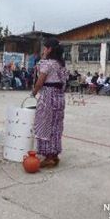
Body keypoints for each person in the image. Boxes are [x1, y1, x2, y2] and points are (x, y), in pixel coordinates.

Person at [32, 37, 67, 168]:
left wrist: (34, 93)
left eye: (45, 48)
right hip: (59, 98)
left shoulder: (47, 64)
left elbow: (40, 81)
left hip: (48, 96)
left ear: (50, 49)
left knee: (45, 125)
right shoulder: (61, 64)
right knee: (56, 126)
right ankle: (55, 155)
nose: (43, 50)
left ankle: (49, 157)